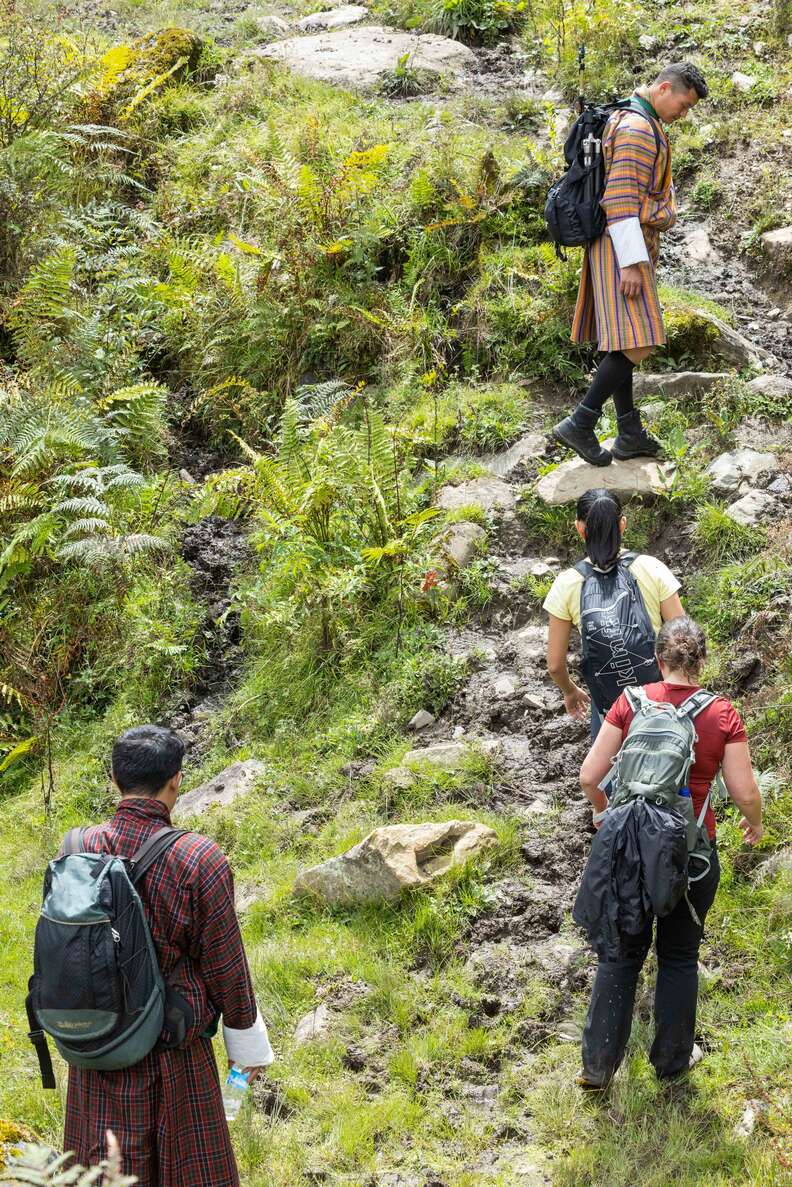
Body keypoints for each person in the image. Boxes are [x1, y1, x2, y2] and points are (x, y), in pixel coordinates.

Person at [63, 725, 273, 1187]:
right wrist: (246, 1048)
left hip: (95, 1049)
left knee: (99, 1175)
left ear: (113, 779)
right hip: (173, 1056)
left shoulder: (77, 849)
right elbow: (226, 965)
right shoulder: (198, 858)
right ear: (176, 780)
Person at [576, 616, 763, 1087]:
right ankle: (671, 1063)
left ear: (658, 659)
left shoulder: (630, 702)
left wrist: (604, 812)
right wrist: (754, 821)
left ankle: (597, 1069)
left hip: (630, 850)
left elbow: (588, 777)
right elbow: (743, 791)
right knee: (678, 956)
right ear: (702, 661)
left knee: (618, 954)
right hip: (690, 855)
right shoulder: (722, 714)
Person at [555, 62, 709, 467]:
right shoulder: (639, 129)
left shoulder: (633, 117)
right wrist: (631, 264)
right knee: (639, 339)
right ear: (662, 88)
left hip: (617, 244)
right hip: (622, 246)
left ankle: (628, 432)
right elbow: (621, 199)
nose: (684, 113)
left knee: (624, 339)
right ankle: (581, 422)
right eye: (684, 103)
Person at [543, 488, 683, 736]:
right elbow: (684, 641)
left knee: (606, 771)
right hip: (663, 701)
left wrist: (570, 691)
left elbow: (554, 665)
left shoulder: (567, 584)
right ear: (622, 525)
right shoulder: (652, 568)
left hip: (612, 710)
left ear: (579, 528)